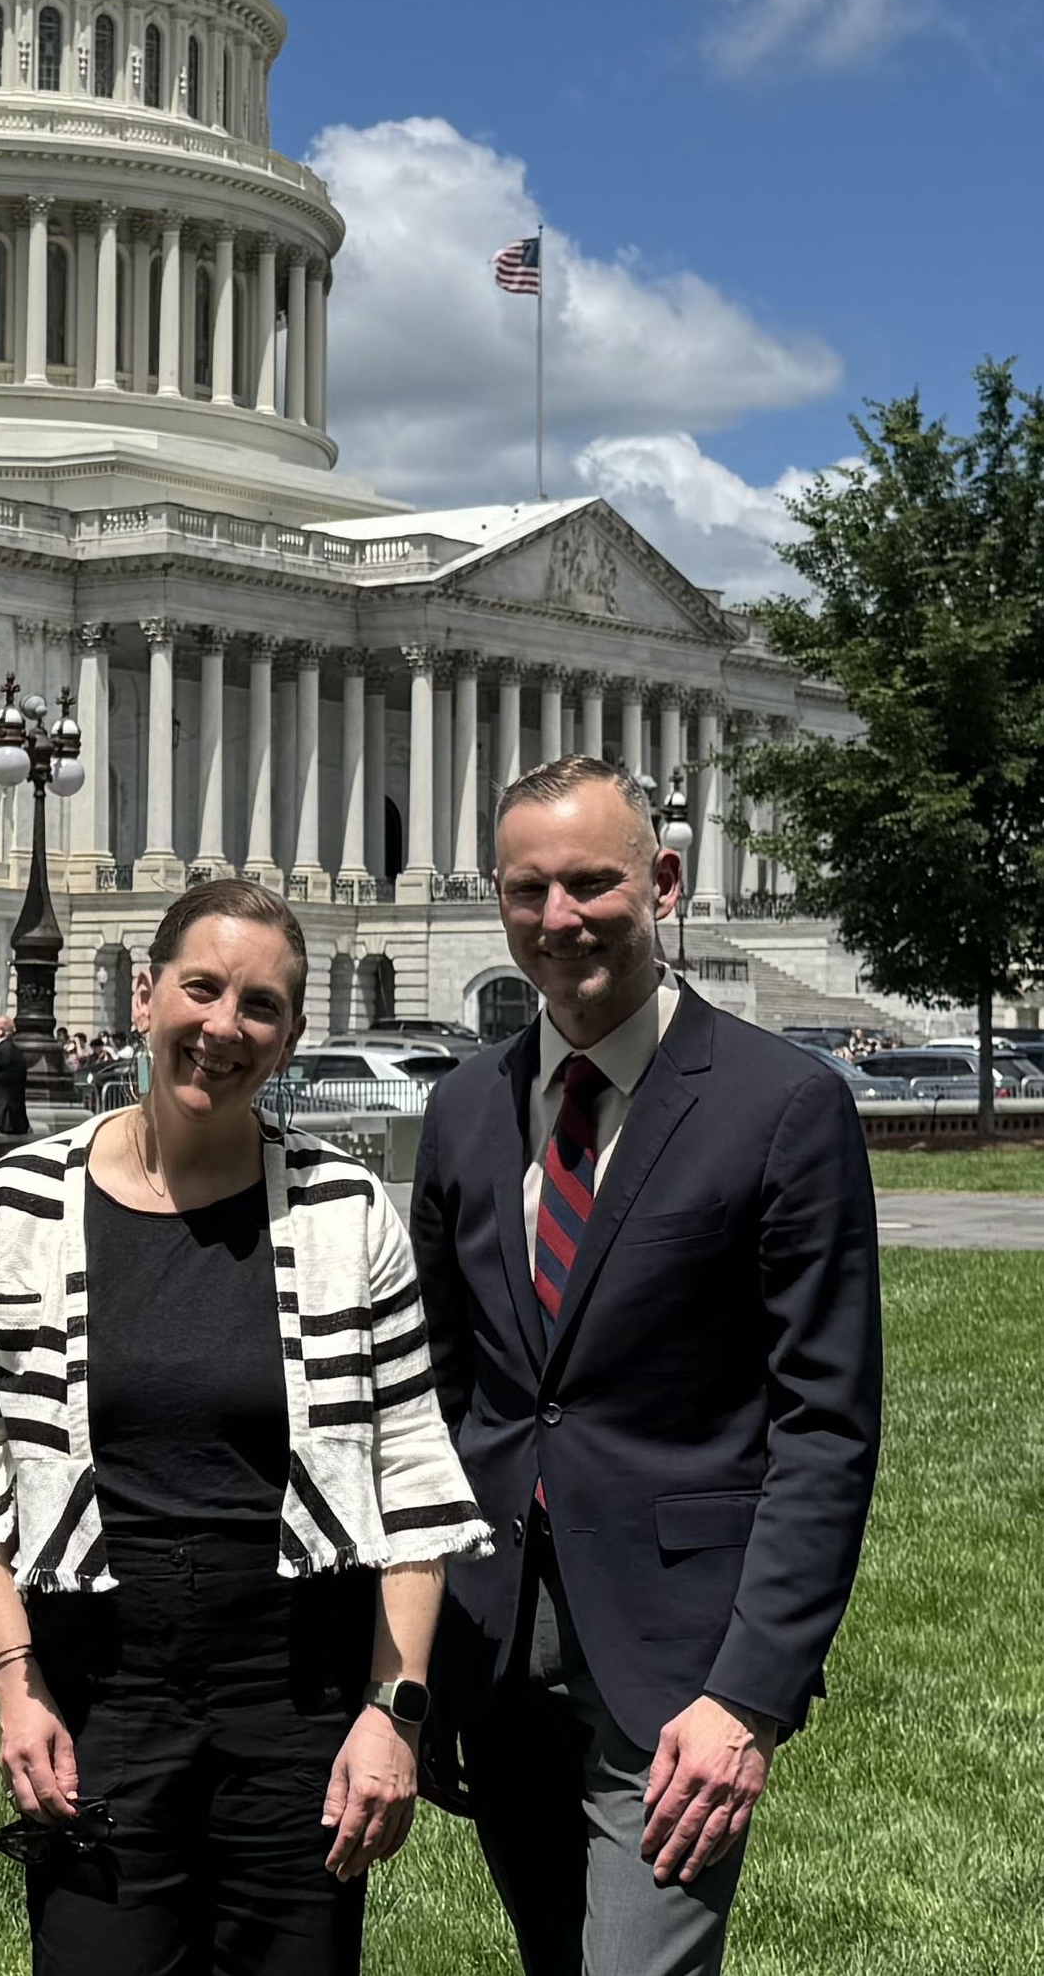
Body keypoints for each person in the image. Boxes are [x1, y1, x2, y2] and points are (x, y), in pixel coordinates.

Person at [0, 880, 489, 1976]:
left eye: (259, 1005)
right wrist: (15, 1685)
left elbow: (412, 1473)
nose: (222, 1027)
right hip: (100, 1693)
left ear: (292, 1035)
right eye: (200, 988)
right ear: (143, 994)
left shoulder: (345, 1210)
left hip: (297, 1699)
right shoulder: (17, 1203)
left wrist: (392, 1714)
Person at [412, 755, 883, 1976]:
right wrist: (417, 1657)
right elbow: (442, 1395)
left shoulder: (783, 1105)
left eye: (590, 882)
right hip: (497, 1638)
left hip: (682, 1659)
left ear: (662, 881)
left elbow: (824, 1423)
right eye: (528, 889)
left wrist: (752, 1692)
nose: (560, 917)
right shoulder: (465, 1107)